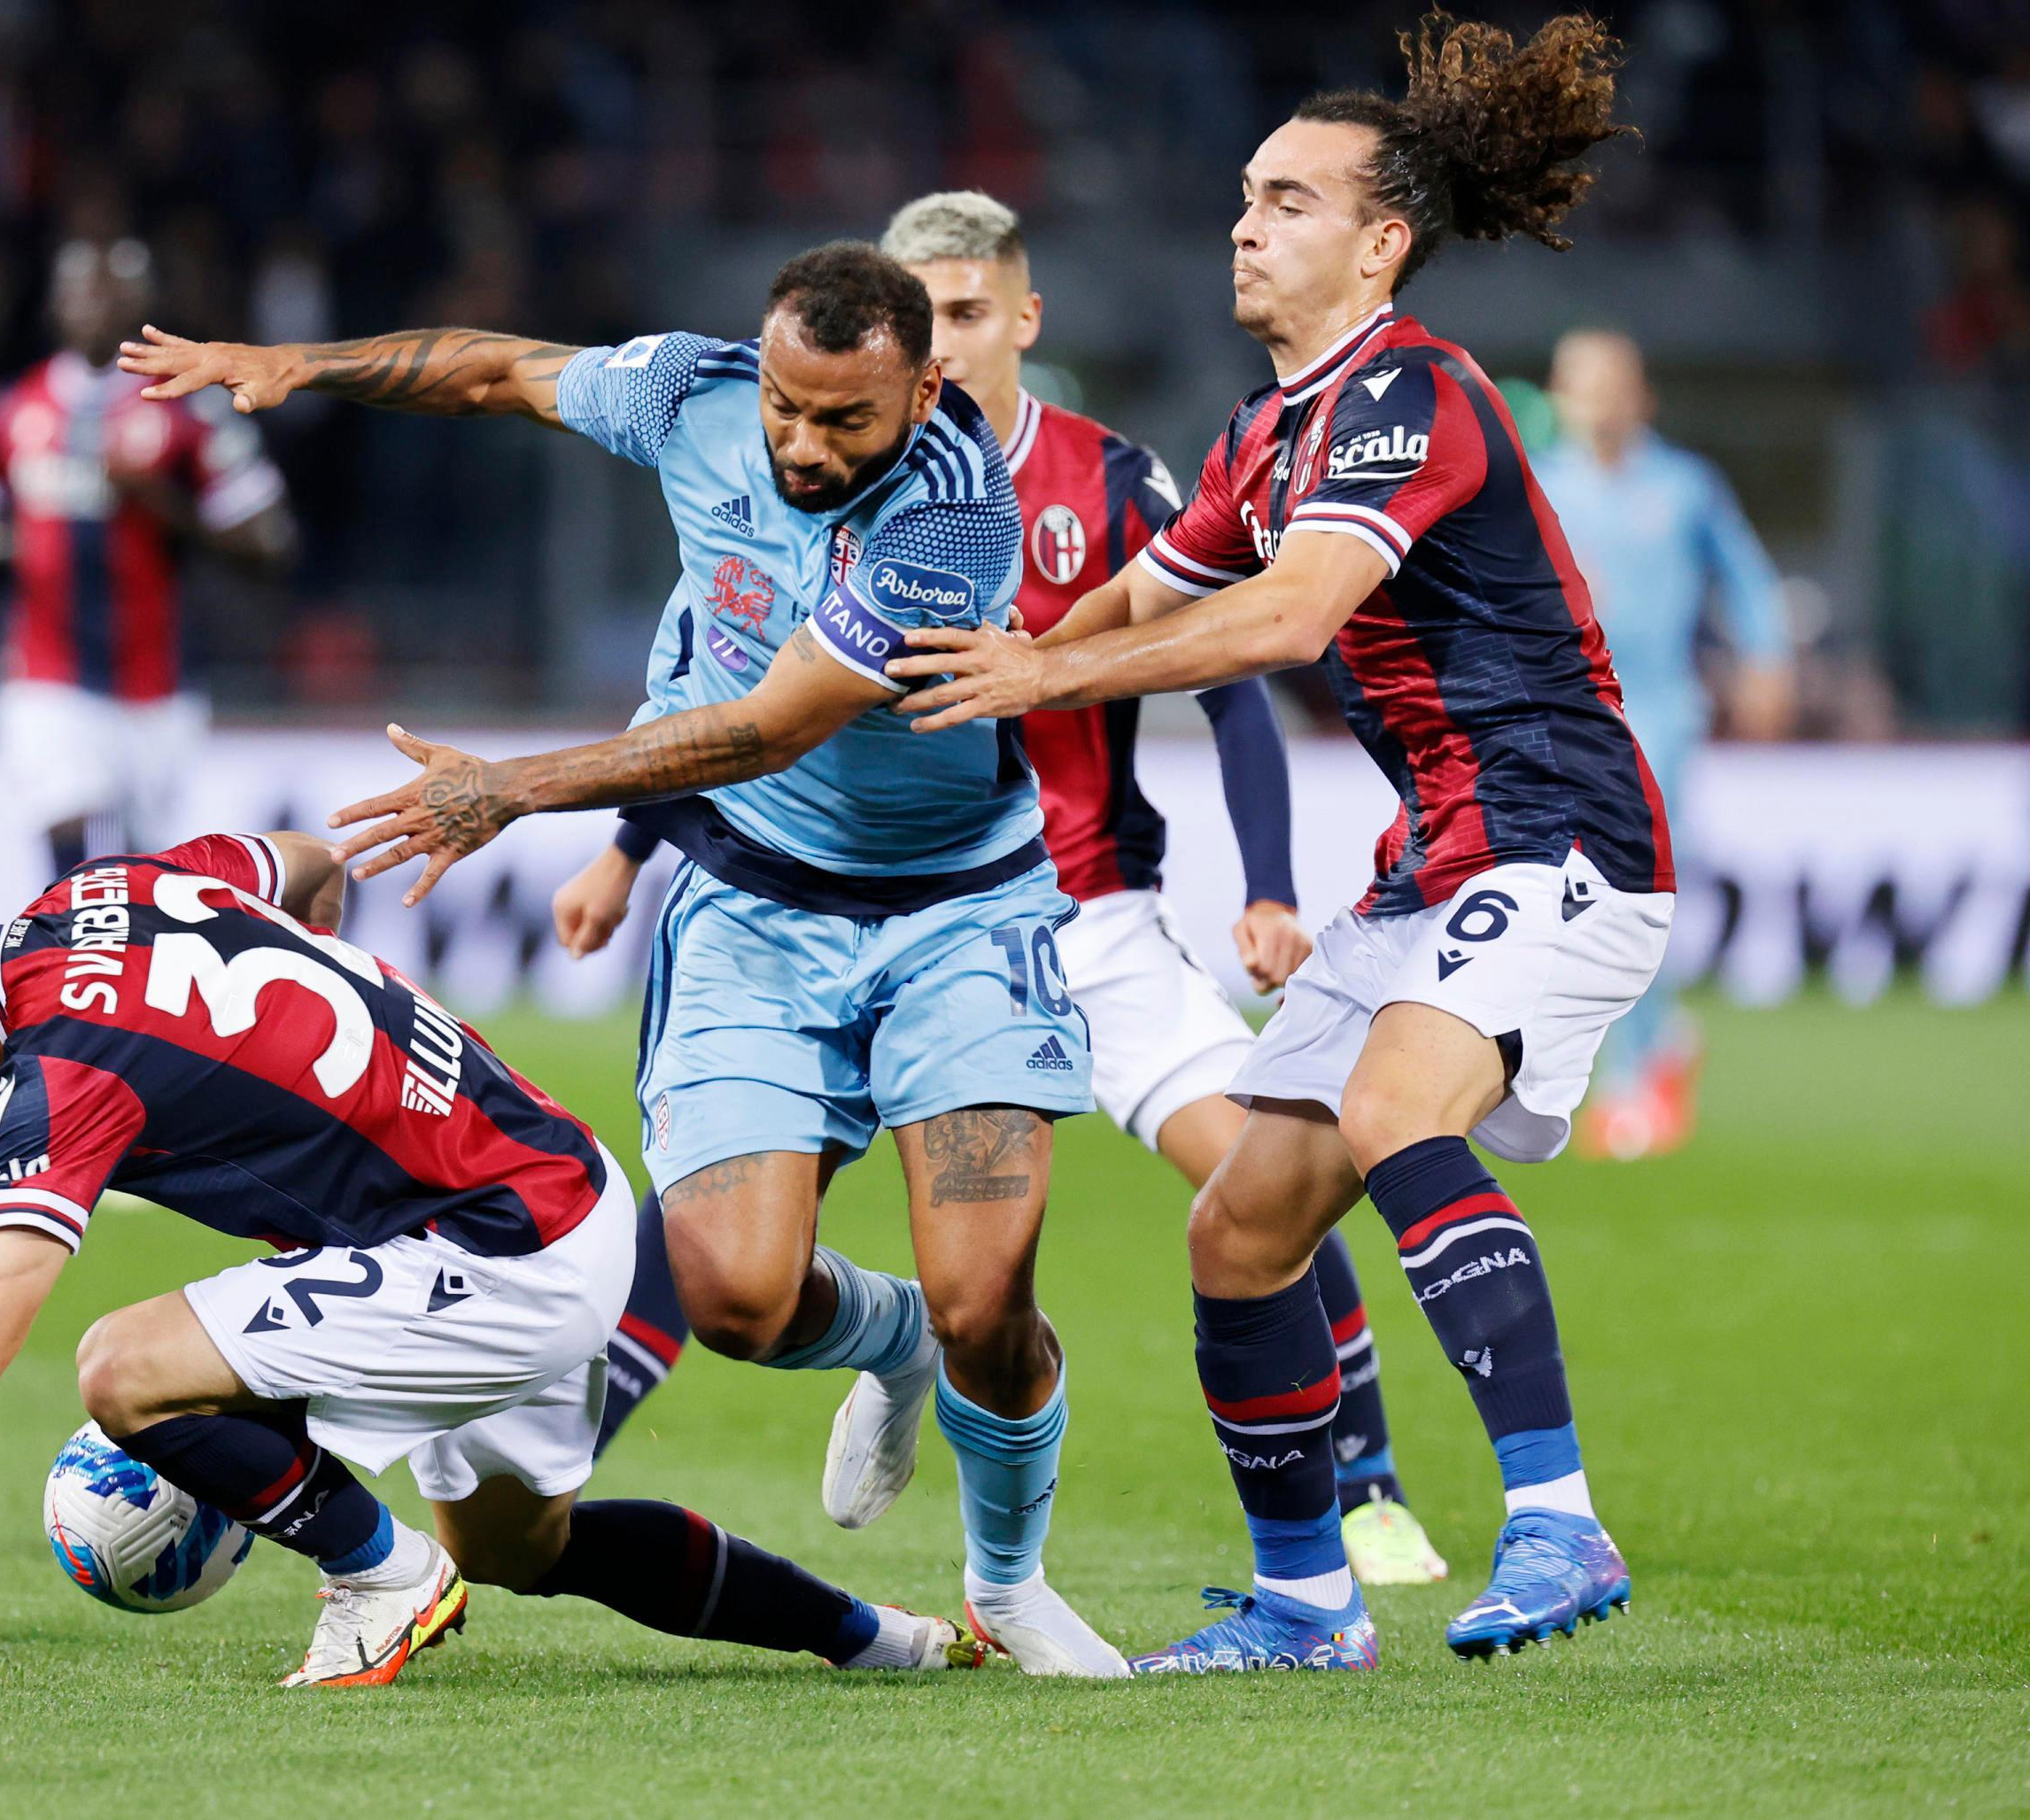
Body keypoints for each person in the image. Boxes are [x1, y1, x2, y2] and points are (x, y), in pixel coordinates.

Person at [120, 244, 1123, 1676]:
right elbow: (495, 370)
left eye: (843, 419)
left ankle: (1008, 1581)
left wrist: (518, 788)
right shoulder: (693, 391)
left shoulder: (955, 516)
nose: (800, 442)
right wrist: (303, 366)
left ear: (923, 388)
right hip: (752, 914)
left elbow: (770, 726)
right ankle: (892, 1345)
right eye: (786, 406)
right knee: (732, 1298)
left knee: (988, 1300)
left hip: (953, 913)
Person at [887, 12, 1662, 1669]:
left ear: (1381, 241)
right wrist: (983, 676)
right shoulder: (1260, 431)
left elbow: (1283, 619)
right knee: (1239, 1221)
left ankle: (1556, 1519)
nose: (1245, 220)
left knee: (1391, 1113)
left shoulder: (1412, 392)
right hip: (1432, 862)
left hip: (1558, 835)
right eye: (1244, 193)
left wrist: (1049, 664)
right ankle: (1310, 1602)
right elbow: (1127, 601)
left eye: (1289, 200)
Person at [550, 190, 1450, 1588]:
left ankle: (1371, 1483)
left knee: (1262, 1180)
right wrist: (626, 847)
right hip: (830, 907)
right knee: (726, 1235)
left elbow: (1229, 681)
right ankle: (577, 1434)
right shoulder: (816, 476)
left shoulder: (1109, 480)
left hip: (1080, 913)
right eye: (933, 315)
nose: (954, 341)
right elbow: (731, 697)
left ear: (1019, 319)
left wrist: (1268, 886)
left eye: (974, 311)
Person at [0, 833, 980, 1687]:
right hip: (561, 1187)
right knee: (520, 1545)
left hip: (496, 1247)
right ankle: (889, 1639)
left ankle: (375, 1578)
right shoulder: (117, 887)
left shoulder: (55, 1076)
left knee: (126, 1367)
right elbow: (298, 858)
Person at [0, 240, 296, 879]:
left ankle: (110, 971)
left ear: (142, 303)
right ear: (56, 303)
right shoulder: (11, 408)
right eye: (81, 287)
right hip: (44, 673)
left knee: (140, 871)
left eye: (113, 288)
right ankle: (70, 974)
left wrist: (160, 501)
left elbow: (271, 542)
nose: (95, 303)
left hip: (155, 683)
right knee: (73, 832)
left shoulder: (192, 406)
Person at [1538, 327, 1791, 1158]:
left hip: (1660, 712)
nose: (1598, 399)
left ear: (1639, 394)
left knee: (1631, 889)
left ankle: (1634, 1078)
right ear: (1561, 395)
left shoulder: (1684, 486)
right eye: (1583, 383)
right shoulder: (1540, 486)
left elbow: (1747, 575)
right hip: (1565, 717)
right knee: (1573, 899)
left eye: (1612, 382)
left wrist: (1765, 657)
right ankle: (1653, 1042)